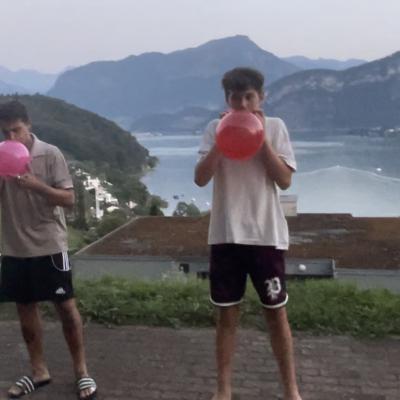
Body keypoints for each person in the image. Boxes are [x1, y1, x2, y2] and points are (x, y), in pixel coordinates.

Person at [194, 68, 302, 400]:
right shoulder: (214, 129)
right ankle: (223, 390)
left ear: (261, 97)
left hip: (265, 235)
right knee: (226, 316)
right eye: (234, 98)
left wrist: (260, 138)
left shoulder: (276, 127)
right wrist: (222, 141)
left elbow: (284, 180)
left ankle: (291, 391)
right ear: (226, 99)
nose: (241, 104)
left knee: (276, 314)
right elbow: (200, 178)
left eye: (248, 97)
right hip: (226, 235)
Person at [0, 100, 97, 400]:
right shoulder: (1, 157)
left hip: (50, 244)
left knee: (66, 307)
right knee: (25, 309)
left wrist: (36, 185)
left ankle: (81, 371)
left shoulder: (50, 153)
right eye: (5, 133)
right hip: (15, 246)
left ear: (28, 125)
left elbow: (68, 199)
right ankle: (38, 371)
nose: (12, 138)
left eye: (16, 130)